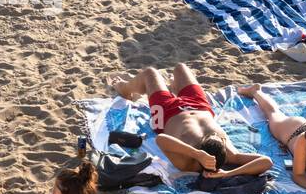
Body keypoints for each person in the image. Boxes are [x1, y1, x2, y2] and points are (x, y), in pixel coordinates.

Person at [109, 64, 274, 177]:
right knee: (180, 68)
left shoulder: (188, 163)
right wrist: (228, 171)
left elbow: (161, 139)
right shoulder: (229, 154)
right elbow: (266, 161)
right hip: (199, 106)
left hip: (167, 113)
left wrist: (200, 155)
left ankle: (124, 88)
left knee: (150, 73)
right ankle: (173, 88)